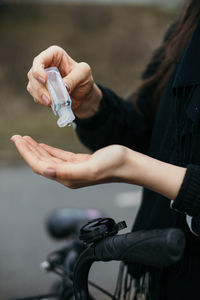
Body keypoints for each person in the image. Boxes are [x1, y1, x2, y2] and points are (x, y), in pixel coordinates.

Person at [11, 0, 200, 299]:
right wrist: (90, 103)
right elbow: (153, 138)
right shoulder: (189, 25)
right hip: (165, 280)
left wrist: (132, 167)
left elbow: (143, 159)